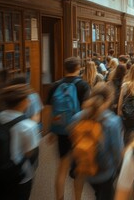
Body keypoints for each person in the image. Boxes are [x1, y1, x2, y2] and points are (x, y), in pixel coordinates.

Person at [44, 57, 90, 200]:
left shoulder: (54, 85)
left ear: (64, 69)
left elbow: (47, 111)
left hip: (61, 131)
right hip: (78, 131)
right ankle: (77, 198)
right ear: (79, 68)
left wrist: (49, 131)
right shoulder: (83, 85)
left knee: (62, 168)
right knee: (79, 170)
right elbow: (87, 110)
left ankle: (59, 197)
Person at [71, 83, 123, 200]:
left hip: (85, 167)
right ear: (109, 99)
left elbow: (74, 141)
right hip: (105, 170)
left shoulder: (77, 117)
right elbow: (117, 152)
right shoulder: (113, 121)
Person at [0, 84, 40, 200]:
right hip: (20, 176)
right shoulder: (29, 126)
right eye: (28, 99)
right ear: (23, 102)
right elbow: (30, 154)